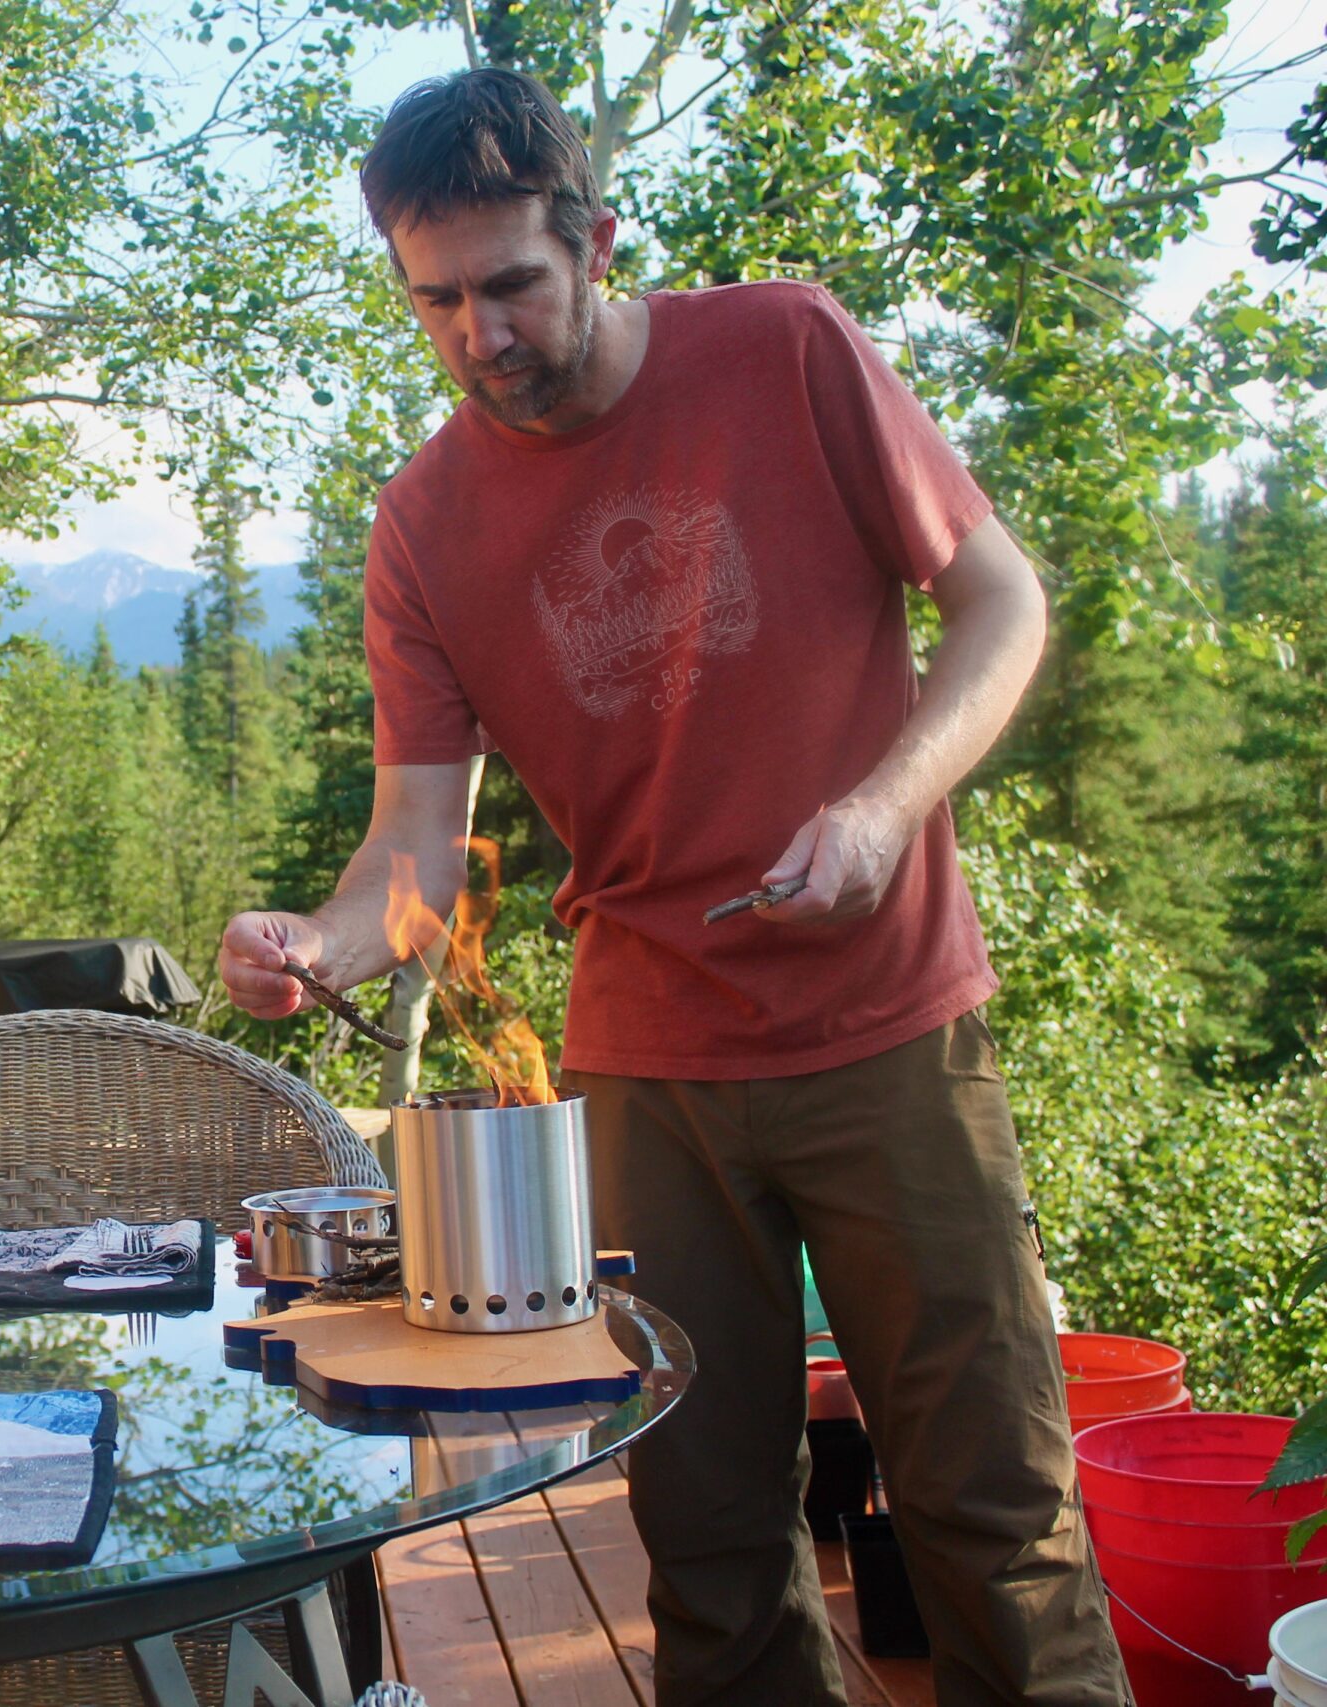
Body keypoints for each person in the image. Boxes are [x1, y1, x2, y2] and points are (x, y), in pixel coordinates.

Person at [216, 68, 1130, 1707]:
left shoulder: (784, 350)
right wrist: (317, 940)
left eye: (511, 287)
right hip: (649, 1074)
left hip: (889, 1031)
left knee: (993, 1509)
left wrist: (878, 810)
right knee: (705, 1536)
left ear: (594, 242)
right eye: (438, 301)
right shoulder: (423, 522)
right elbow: (416, 842)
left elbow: (1003, 607)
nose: (480, 334)